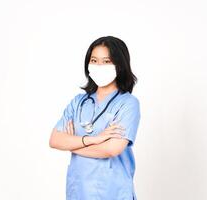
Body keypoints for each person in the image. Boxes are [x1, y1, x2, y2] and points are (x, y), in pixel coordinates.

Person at [49, 36, 141, 200]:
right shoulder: (78, 102)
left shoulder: (128, 103)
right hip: (79, 190)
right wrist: (95, 139)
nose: (99, 66)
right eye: (94, 60)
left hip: (113, 191)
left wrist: (72, 144)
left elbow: (112, 149)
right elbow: (55, 140)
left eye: (106, 61)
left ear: (119, 65)